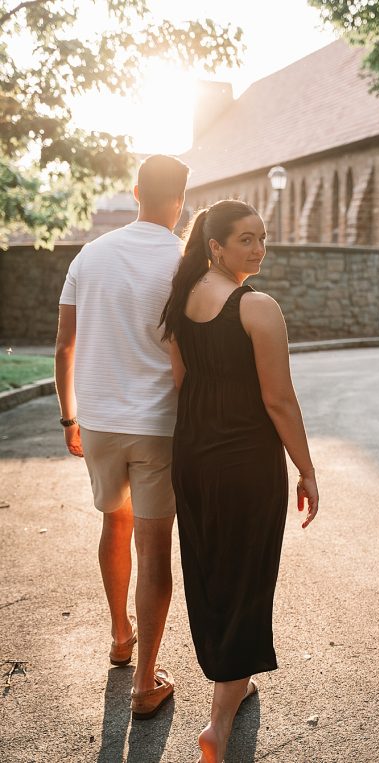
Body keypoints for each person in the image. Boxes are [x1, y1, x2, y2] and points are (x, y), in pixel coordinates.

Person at [159, 199, 319, 763]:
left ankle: (234, 680)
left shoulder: (179, 303)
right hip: (247, 462)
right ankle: (218, 725)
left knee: (210, 572)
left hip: (195, 455)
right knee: (248, 578)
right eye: (246, 239)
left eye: (262, 237)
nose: (259, 248)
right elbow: (279, 400)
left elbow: (183, 382)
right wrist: (306, 468)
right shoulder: (258, 308)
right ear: (216, 247)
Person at [55, 154, 189, 719]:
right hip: (161, 424)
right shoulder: (187, 261)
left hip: (102, 419)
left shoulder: (90, 255)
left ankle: (119, 637)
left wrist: (70, 417)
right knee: (155, 548)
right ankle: (145, 683)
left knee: (116, 521)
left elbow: (65, 344)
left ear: (135, 192)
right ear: (180, 200)